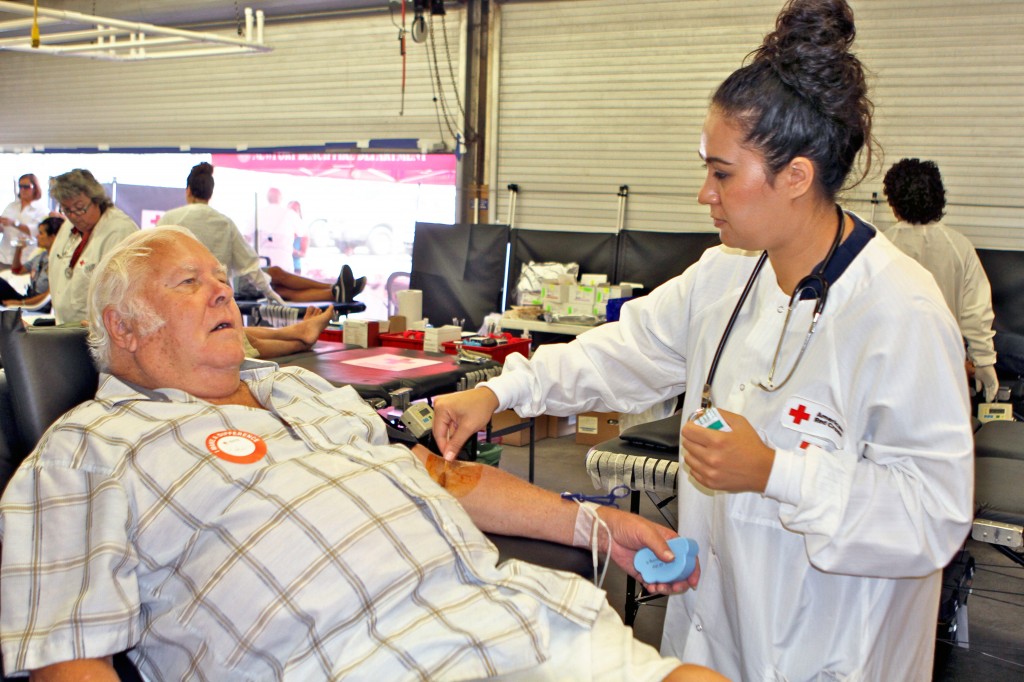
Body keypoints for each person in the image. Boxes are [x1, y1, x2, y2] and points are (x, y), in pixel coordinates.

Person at [431, 1, 973, 680]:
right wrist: (501, 389)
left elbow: (935, 516)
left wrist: (774, 470)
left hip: (832, 650)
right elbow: (621, 353)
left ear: (797, 176)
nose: (703, 194)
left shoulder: (901, 310)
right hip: (717, 636)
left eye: (722, 174)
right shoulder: (726, 275)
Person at [0, 226, 723, 682]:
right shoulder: (87, 451)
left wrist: (598, 526)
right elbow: (69, 652)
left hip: (507, 618)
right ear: (123, 326)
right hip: (347, 660)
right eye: (190, 283)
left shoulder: (296, 390)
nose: (222, 290)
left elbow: (441, 476)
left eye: (221, 279)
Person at [160, 163, 364, 304]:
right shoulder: (223, 222)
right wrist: (270, 294)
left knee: (276, 278)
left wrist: (269, 292)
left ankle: (335, 289)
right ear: (210, 193)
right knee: (278, 281)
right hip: (225, 290)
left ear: (188, 190)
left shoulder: (170, 220)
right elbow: (249, 264)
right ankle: (334, 289)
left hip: (188, 293)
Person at [882, 157, 999, 401]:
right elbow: (975, 313)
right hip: (945, 367)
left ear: (893, 202)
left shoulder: (880, 247)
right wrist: (984, 362)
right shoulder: (959, 247)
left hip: (892, 367)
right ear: (939, 197)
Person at [48, 168, 139, 324]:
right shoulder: (68, 227)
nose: (74, 216)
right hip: (66, 326)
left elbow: (122, 291)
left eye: (79, 207)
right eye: (67, 210)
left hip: (99, 331)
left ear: (96, 199)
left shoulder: (119, 231)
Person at [0, 215, 61, 308]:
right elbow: (17, 271)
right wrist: (18, 250)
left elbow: (49, 295)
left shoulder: (60, 261)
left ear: (52, 237)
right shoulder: (42, 256)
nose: (37, 236)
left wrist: (19, 303)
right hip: (29, 298)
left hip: (40, 305)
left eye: (41, 233)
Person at [0, 173, 48, 267]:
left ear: (35, 188)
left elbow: (36, 232)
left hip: (26, 259)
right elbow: (3, 228)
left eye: (26, 187)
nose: (22, 190)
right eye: (20, 186)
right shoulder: (11, 206)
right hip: (4, 256)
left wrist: (14, 223)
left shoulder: (42, 209)